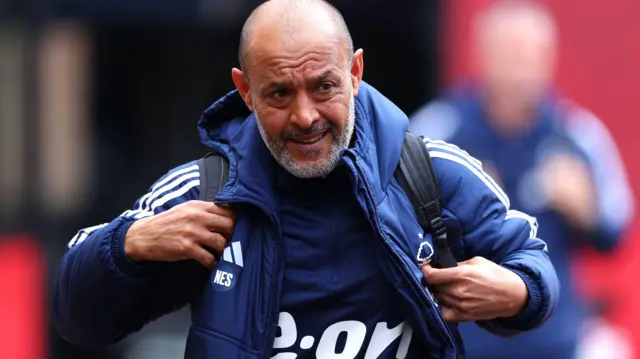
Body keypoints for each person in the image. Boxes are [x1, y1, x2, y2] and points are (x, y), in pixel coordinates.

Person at [53, 0, 560, 358]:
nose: (305, 115)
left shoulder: (431, 172)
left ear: (355, 72)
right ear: (245, 91)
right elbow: (77, 318)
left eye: (324, 87)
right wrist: (130, 243)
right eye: (278, 94)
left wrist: (519, 292)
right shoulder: (205, 194)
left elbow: (534, 265)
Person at [409, 1, 635, 359]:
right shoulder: (439, 130)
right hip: (461, 336)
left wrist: (586, 209)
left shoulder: (576, 132)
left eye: (531, 56)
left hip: (555, 336)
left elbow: (617, 228)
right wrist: (453, 204)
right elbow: (393, 225)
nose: (521, 71)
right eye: (510, 54)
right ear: (483, 55)